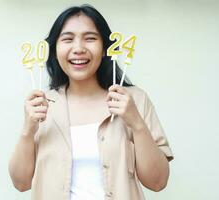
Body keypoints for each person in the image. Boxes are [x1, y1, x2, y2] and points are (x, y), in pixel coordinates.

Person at [9, 4, 173, 200]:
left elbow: (157, 182)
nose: (78, 49)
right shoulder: (43, 104)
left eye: (90, 38)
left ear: (105, 48)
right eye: (68, 39)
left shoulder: (134, 99)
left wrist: (136, 123)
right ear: (54, 50)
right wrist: (28, 130)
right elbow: (20, 183)